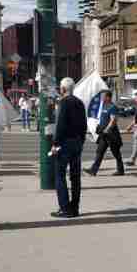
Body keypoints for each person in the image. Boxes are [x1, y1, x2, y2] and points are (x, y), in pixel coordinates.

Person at [51, 77, 87, 218]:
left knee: (59, 174)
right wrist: (81, 141)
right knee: (75, 177)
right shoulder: (79, 103)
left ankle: (65, 208)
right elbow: (84, 125)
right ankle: (75, 207)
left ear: (63, 89)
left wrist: (55, 144)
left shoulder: (63, 103)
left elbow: (60, 125)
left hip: (65, 143)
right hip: (77, 142)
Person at [85, 90, 125, 176]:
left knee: (116, 153)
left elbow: (113, 120)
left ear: (108, 97)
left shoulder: (112, 107)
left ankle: (120, 170)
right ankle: (93, 170)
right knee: (99, 152)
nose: (102, 98)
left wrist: (107, 129)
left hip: (111, 134)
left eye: (104, 96)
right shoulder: (104, 106)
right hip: (104, 135)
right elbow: (102, 118)